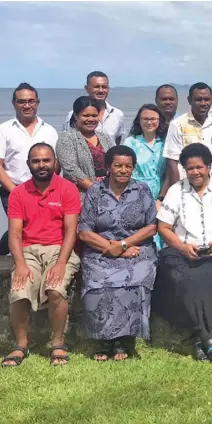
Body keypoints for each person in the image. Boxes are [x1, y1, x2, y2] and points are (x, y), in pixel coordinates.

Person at [1, 143, 81, 367]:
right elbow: (15, 235)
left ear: (55, 163)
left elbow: (70, 231)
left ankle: (57, 343)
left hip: (59, 249)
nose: (42, 165)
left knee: (55, 289)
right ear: (28, 165)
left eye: (46, 160)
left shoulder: (67, 189)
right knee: (19, 291)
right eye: (36, 161)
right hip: (28, 251)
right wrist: (21, 264)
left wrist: (61, 263)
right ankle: (20, 345)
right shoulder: (18, 192)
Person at [155, 143, 212, 363]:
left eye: (199, 167)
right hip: (180, 251)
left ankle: (200, 339)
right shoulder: (176, 190)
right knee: (184, 279)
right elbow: (164, 228)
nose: (195, 172)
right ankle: (206, 338)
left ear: (208, 166)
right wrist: (182, 247)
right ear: (184, 170)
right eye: (190, 168)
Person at [77, 145, 157, 361]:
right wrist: (113, 249)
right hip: (100, 251)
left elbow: (151, 227)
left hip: (136, 249)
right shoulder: (95, 191)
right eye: (118, 165)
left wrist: (122, 245)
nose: (123, 170)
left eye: (128, 166)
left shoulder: (142, 190)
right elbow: (84, 231)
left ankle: (123, 340)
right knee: (97, 282)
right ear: (109, 167)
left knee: (137, 278)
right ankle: (104, 341)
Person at [0, 83, 58, 255]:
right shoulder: (4, 130)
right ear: (14, 103)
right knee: (19, 227)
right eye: (22, 101)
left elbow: (56, 163)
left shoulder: (49, 130)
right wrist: (16, 191)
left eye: (31, 101)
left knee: (36, 227)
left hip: (43, 190)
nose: (27, 105)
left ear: (37, 103)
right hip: (13, 189)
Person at [123, 104, 168, 249]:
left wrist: (161, 198)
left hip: (161, 191)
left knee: (161, 229)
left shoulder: (166, 142)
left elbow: (170, 172)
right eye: (145, 119)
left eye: (153, 119)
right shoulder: (131, 142)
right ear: (139, 121)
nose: (149, 122)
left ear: (159, 120)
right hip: (137, 192)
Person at [164, 82, 212, 185]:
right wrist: (178, 190)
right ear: (189, 100)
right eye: (198, 99)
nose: (203, 103)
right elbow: (172, 162)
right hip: (186, 184)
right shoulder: (177, 125)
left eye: (206, 99)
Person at [57, 96, 116, 198]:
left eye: (94, 115)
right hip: (81, 196)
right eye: (86, 115)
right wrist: (96, 190)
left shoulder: (104, 137)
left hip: (109, 193)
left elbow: (116, 159)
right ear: (76, 116)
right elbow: (71, 170)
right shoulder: (66, 139)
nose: (91, 119)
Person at [63, 71, 125, 144]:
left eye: (104, 87)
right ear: (86, 88)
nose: (101, 90)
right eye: (96, 87)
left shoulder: (117, 114)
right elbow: (67, 141)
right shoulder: (73, 115)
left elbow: (117, 141)